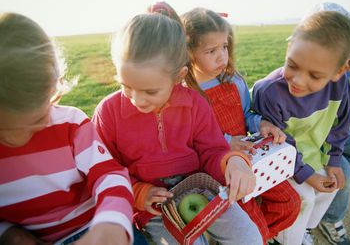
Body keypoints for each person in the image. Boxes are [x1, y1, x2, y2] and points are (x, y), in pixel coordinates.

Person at [92, 12, 263, 245]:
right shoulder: (109, 112)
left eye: (150, 91)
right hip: (152, 208)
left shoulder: (195, 104)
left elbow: (213, 151)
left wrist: (233, 162)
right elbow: (104, 170)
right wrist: (139, 192)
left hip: (201, 191)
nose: (136, 100)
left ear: (178, 76)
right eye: (126, 86)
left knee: (249, 238)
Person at [0, 13, 135, 245]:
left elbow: (109, 176)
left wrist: (110, 224)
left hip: (92, 227)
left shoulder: (70, 124)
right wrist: (9, 234)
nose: (19, 136)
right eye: (6, 128)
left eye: (42, 115)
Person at [181, 7, 301, 243]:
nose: (221, 57)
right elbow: (191, 139)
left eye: (224, 47)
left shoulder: (233, 80)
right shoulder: (186, 94)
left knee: (291, 203)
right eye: (211, 50)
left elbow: (248, 114)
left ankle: (264, 237)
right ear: (188, 53)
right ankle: (260, 237)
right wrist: (226, 142)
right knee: (253, 226)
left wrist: (262, 124)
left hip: (251, 159)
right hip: (221, 172)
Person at [252, 11, 350, 245]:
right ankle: (288, 239)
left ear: (339, 71)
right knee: (304, 198)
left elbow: (340, 124)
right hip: (281, 159)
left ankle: (304, 230)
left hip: (311, 154)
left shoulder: (340, 85)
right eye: (293, 65)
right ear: (289, 48)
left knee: (331, 186)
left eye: (315, 75)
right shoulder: (269, 91)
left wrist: (334, 160)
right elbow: (275, 145)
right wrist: (307, 175)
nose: (298, 80)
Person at [303, 3, 350, 245]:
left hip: (332, 127)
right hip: (313, 131)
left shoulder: (341, 64)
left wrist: (345, 71)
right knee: (344, 172)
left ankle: (328, 208)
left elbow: (342, 107)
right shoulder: (309, 61)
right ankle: (330, 218)